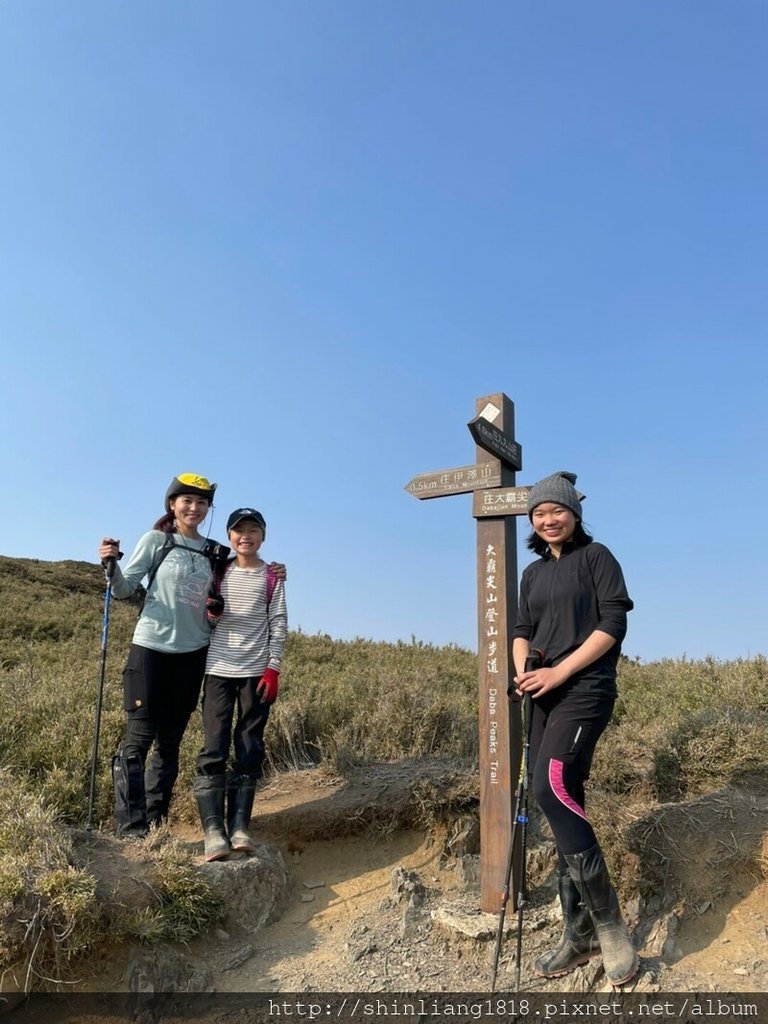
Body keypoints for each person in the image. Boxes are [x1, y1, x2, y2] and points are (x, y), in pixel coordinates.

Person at [98, 475, 285, 838]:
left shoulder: (216, 552)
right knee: (138, 739)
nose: (194, 508)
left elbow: (246, 566)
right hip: (150, 649)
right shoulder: (157, 540)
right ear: (172, 504)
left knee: (170, 742)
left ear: (208, 509)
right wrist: (111, 564)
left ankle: (155, 823)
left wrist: (276, 570)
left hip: (193, 655)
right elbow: (123, 590)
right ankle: (130, 827)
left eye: (201, 503)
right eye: (186, 501)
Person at [511, 470, 639, 986]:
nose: (548, 520)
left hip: (585, 692)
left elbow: (614, 624)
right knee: (563, 799)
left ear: (574, 514)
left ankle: (610, 929)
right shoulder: (532, 574)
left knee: (548, 785)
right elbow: (522, 630)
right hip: (540, 694)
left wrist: (561, 670)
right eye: (539, 514)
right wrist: (523, 671)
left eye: (556, 511)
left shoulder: (597, 558)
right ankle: (579, 933)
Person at [192, 507, 288, 862]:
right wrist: (211, 615)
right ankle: (213, 831)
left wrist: (272, 669)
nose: (245, 536)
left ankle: (239, 828)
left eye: (253, 530)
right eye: (238, 531)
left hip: (255, 673)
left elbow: (278, 623)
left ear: (263, 537)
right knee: (213, 748)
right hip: (217, 669)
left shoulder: (273, 578)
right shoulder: (217, 572)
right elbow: (204, 621)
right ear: (230, 537)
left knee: (249, 747)